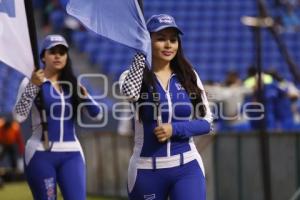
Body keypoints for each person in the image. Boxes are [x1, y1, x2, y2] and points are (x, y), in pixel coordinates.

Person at [119, 14, 213, 200]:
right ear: (148, 41)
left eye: (173, 39)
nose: (169, 45)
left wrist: (174, 128)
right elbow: (129, 93)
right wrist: (141, 51)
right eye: (161, 39)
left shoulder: (189, 76)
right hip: (147, 170)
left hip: (187, 167)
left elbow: (207, 122)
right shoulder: (131, 76)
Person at [13, 34, 103, 200]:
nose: (57, 56)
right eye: (52, 52)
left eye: (62, 52)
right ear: (43, 56)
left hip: (72, 153)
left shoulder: (74, 84)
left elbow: (97, 115)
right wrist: (33, 86)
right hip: (40, 153)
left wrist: (86, 97)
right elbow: (19, 116)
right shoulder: (29, 82)